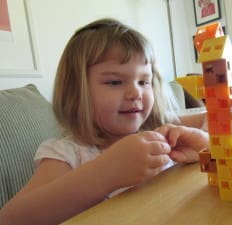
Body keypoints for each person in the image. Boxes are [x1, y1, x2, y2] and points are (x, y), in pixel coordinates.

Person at [0, 18, 209, 225]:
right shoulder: (68, 153)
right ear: (77, 93)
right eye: (115, 82)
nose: (136, 92)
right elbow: (10, 218)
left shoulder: (157, 130)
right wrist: (105, 173)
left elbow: (215, 119)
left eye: (144, 81)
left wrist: (205, 145)